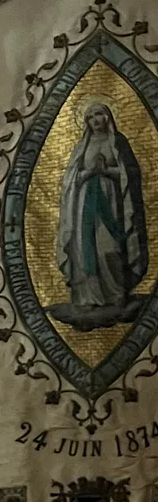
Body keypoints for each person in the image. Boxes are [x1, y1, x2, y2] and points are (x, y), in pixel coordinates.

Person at [53, 101, 148, 330]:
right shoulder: (82, 146)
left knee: (109, 249)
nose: (95, 120)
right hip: (85, 206)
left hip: (112, 204)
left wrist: (106, 171)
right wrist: (87, 174)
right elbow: (70, 179)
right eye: (91, 116)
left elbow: (131, 173)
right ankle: (87, 298)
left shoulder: (117, 142)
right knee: (85, 252)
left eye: (99, 115)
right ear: (86, 121)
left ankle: (116, 295)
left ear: (108, 117)